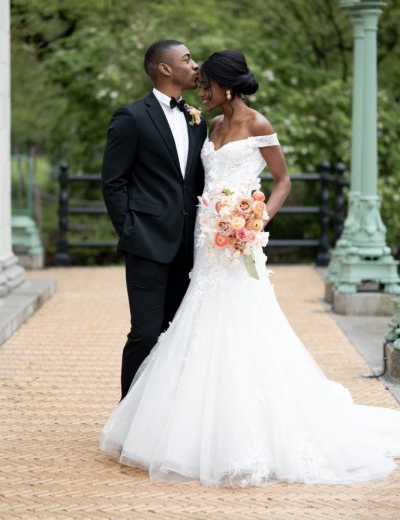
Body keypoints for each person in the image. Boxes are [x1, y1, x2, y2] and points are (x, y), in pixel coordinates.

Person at [100, 49, 400, 487]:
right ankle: (159, 421)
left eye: (206, 85)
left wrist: (253, 221)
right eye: (195, 80)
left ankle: (240, 432)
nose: (200, 89)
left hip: (238, 243)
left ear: (226, 86)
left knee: (241, 326)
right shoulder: (208, 124)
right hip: (204, 243)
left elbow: (282, 180)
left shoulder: (256, 124)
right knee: (186, 327)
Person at [101, 39, 207, 400]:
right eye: (187, 59)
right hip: (146, 240)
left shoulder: (196, 119)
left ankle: (164, 417)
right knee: (145, 332)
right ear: (164, 68)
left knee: (176, 332)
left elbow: (197, 180)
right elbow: (113, 181)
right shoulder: (131, 117)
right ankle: (128, 415)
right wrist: (129, 228)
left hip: (189, 244)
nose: (195, 65)